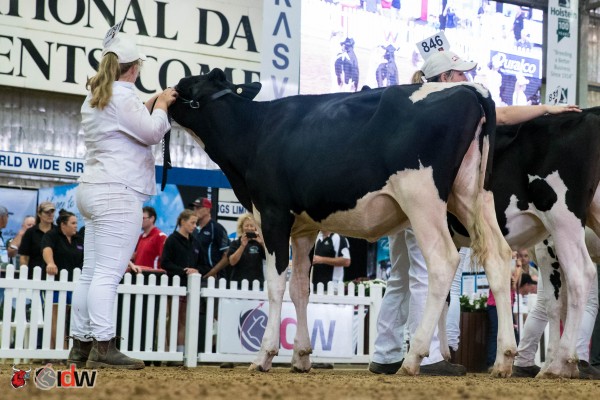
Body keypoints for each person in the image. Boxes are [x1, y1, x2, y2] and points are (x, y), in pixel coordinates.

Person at [369, 49, 581, 376]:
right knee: (425, 271)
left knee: (399, 275)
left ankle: (385, 353)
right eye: (461, 74)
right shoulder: (451, 106)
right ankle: (427, 355)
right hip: (424, 198)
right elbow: (502, 116)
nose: (467, 78)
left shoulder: (411, 102)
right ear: (445, 78)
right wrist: (546, 108)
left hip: (396, 197)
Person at [68, 29, 177, 370]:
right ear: (134, 67)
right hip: (118, 192)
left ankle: (81, 346)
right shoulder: (124, 97)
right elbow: (152, 131)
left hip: (93, 189)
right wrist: (162, 105)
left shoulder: (96, 96)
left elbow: (130, 120)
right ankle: (104, 347)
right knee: (107, 274)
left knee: (90, 273)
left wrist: (153, 102)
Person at [513, 240, 600, 379]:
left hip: (545, 242)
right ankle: (578, 358)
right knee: (589, 302)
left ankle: (523, 361)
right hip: (575, 244)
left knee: (542, 305)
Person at [41, 209, 84, 349]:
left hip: (73, 284)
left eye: (76, 223)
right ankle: (62, 349)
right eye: (73, 223)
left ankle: (56, 350)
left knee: (68, 317)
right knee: (55, 315)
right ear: (63, 225)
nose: (76, 226)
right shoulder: (52, 235)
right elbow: (47, 249)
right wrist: (50, 263)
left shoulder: (78, 239)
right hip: (55, 283)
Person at [160, 209, 199, 360]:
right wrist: (183, 271)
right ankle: (171, 353)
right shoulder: (172, 240)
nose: (194, 226)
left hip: (190, 286)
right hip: (175, 285)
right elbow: (165, 262)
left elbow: (203, 264)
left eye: (195, 223)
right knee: (173, 319)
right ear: (183, 222)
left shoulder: (195, 242)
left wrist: (196, 270)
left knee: (183, 320)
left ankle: (180, 352)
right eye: (192, 223)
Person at [190, 197, 230, 281]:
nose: (195, 210)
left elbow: (227, 254)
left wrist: (213, 271)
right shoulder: (194, 230)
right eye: (194, 208)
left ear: (208, 210)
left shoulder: (217, 228)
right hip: (196, 275)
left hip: (215, 277)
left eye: (198, 207)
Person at [19, 201, 56, 279]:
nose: (50, 214)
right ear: (39, 214)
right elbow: (24, 256)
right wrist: (24, 275)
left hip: (54, 275)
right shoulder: (30, 232)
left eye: (52, 211)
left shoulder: (58, 231)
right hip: (33, 274)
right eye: (47, 212)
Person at [227, 213, 265, 285]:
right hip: (238, 284)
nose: (249, 228)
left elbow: (269, 259)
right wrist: (242, 246)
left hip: (257, 284)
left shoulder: (259, 243)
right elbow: (232, 262)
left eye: (252, 226)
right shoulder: (235, 243)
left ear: (256, 228)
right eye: (247, 226)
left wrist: (262, 243)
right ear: (241, 227)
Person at [128, 206, 168, 274]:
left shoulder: (161, 236)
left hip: (152, 277)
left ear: (152, 218)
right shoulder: (140, 237)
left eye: (143, 218)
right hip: (139, 275)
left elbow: (165, 261)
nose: (140, 221)